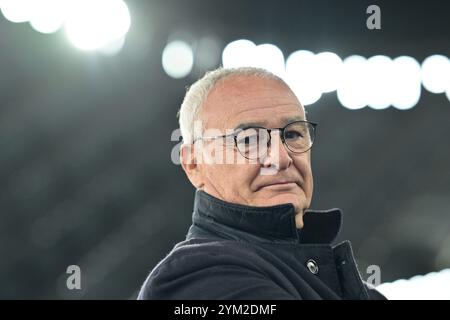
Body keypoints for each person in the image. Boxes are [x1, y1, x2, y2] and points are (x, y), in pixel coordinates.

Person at [138, 67, 386, 300]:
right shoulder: (194, 278)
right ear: (193, 164)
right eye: (248, 139)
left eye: (293, 134)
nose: (281, 158)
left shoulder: (354, 288)